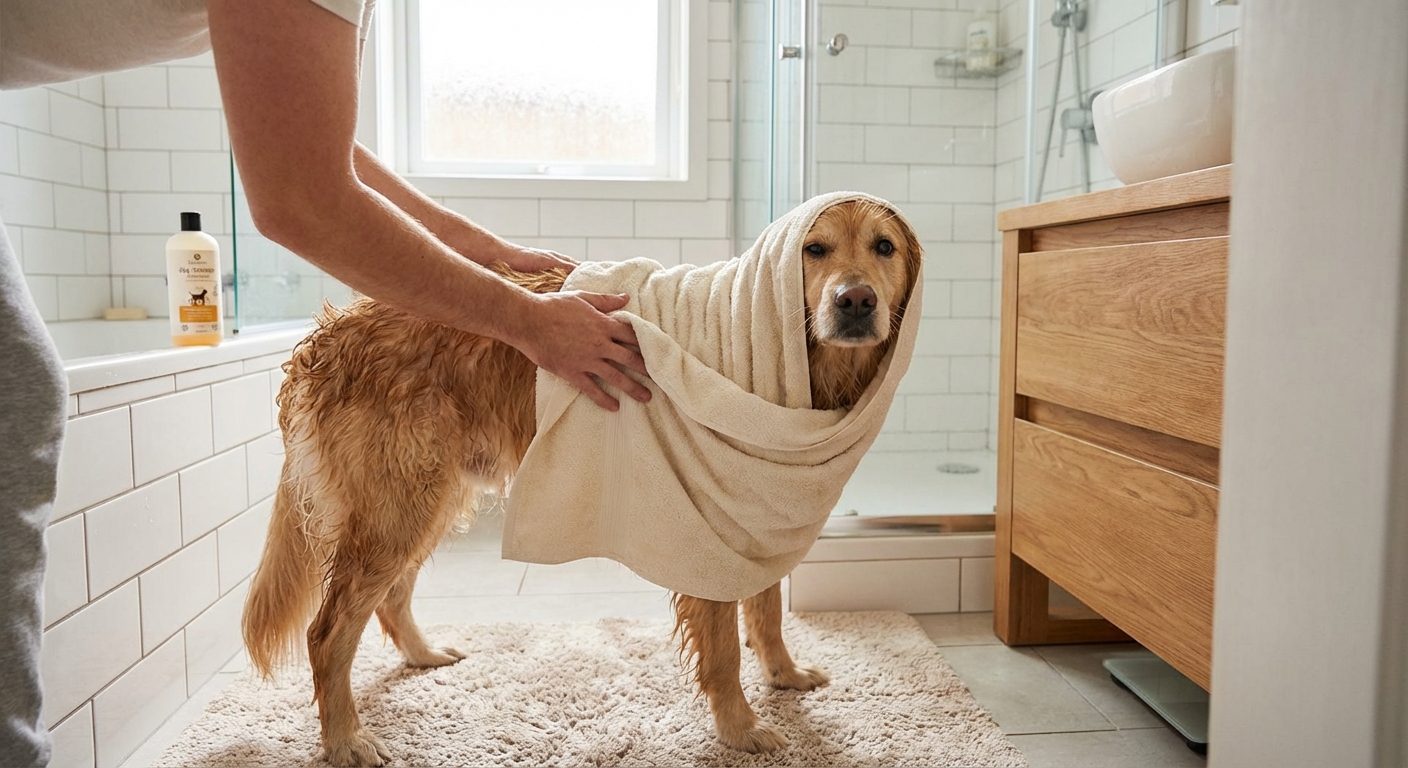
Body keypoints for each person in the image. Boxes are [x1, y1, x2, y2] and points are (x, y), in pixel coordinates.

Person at [0, 1, 651, 764]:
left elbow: (305, 133)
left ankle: (400, 627)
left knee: (27, 397)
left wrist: (476, 246)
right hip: (384, 383)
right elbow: (301, 197)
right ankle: (332, 699)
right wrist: (531, 323)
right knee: (21, 404)